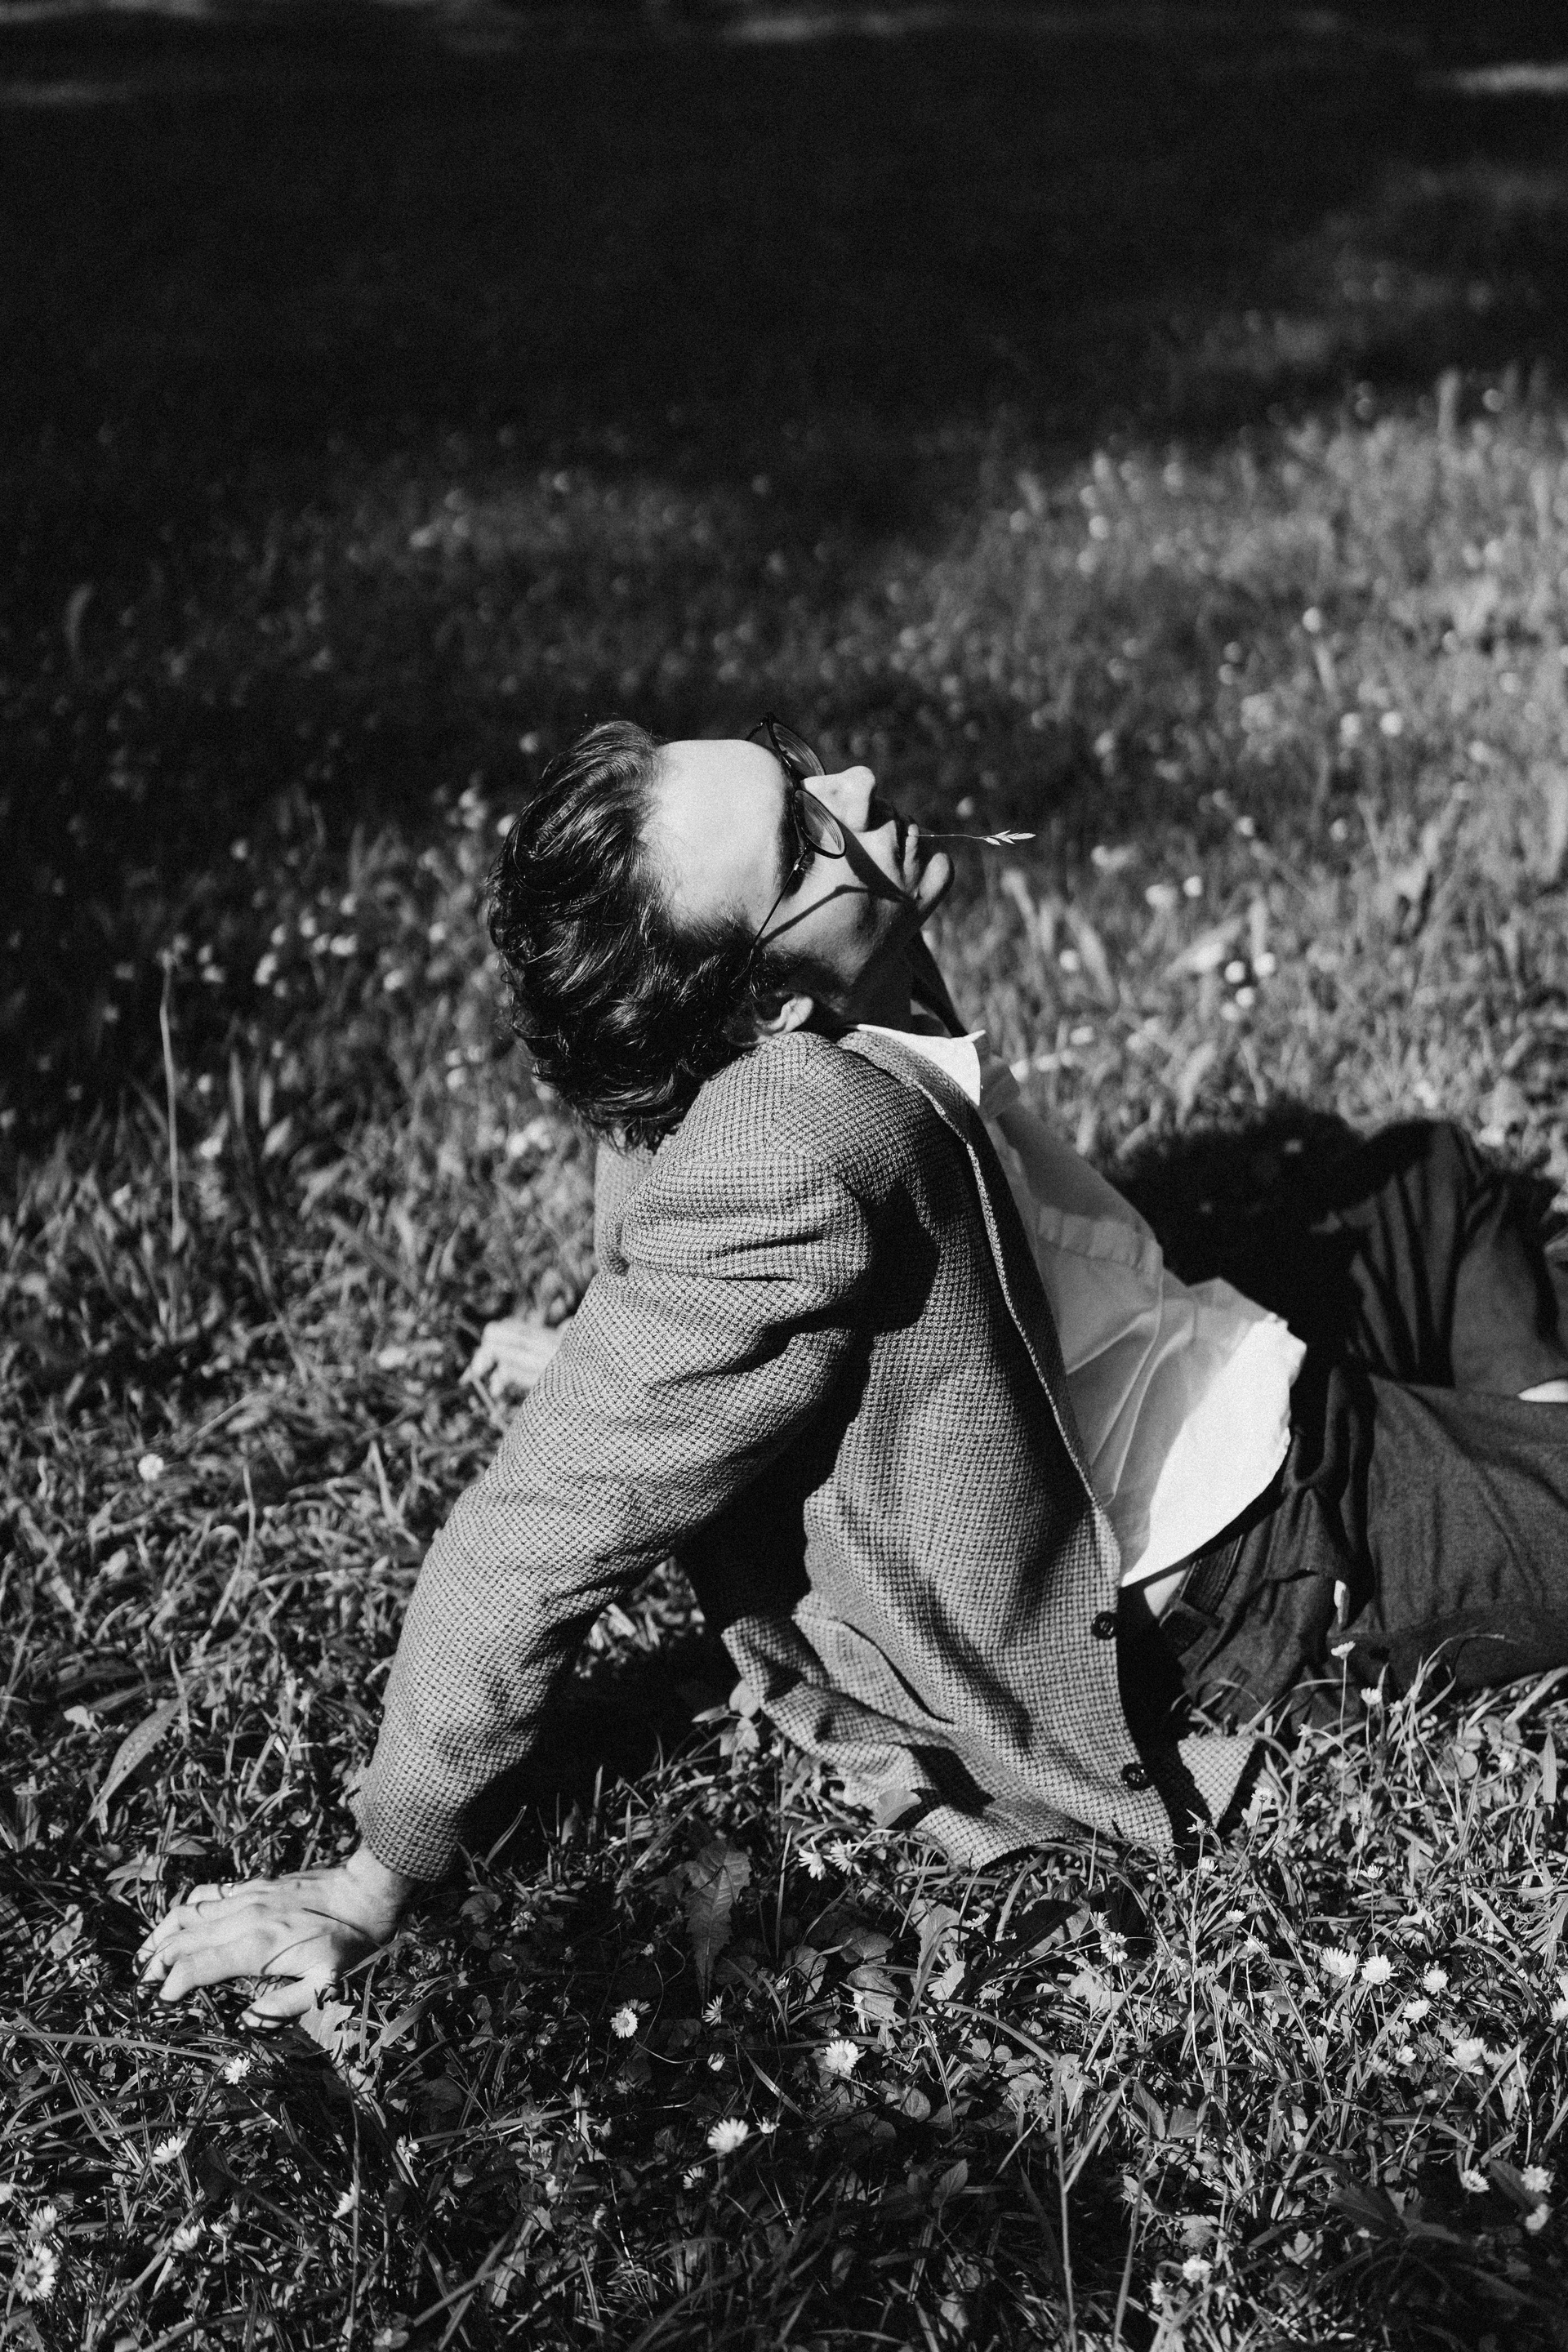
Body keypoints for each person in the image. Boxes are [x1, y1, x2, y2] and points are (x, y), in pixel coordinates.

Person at [138, 717, 1568, 2020]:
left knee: (1427, 1184)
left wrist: (592, 1337)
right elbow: (530, 1537)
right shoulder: (787, 1142)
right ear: (764, 1008)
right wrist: (377, 1874)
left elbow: (665, 1211)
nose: (858, 789)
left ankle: (1518, 1444)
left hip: (1171, 1336)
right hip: (1251, 1536)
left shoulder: (807, 993)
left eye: (794, 766)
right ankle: (1502, 1482)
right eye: (805, 839)